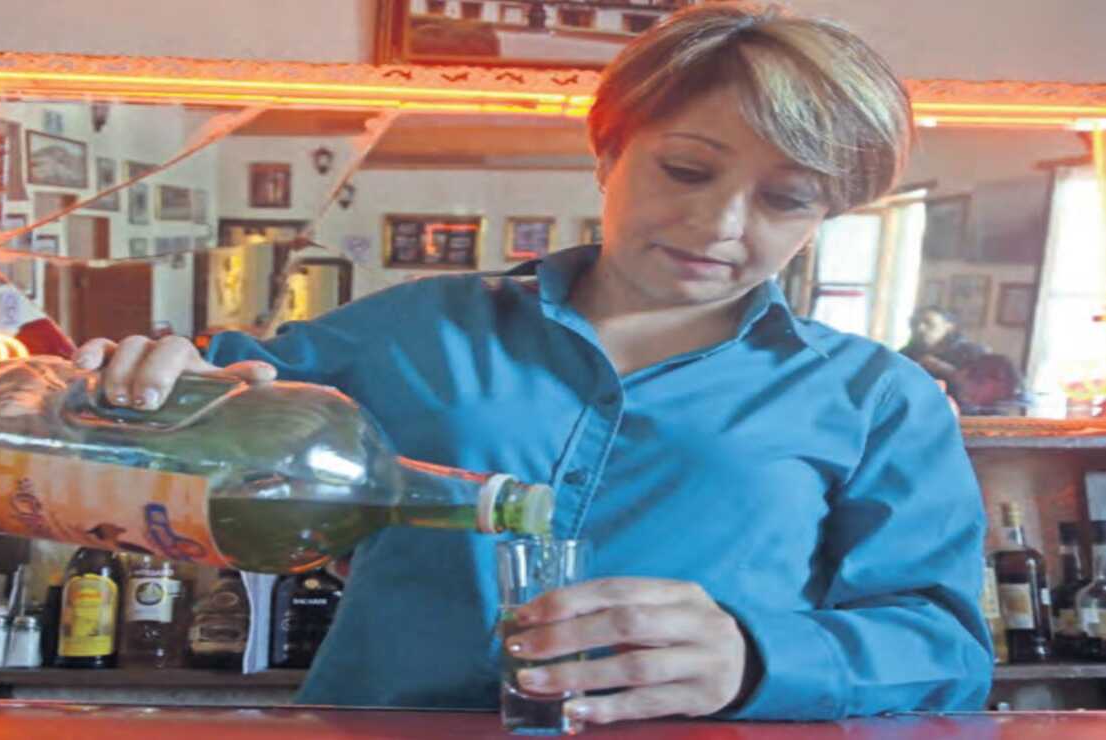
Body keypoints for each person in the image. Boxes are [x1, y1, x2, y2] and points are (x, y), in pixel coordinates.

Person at [72, 2, 991, 724]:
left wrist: (753, 659)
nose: (719, 226)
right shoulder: (416, 329)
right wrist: (150, 373)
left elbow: (944, 650)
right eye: (684, 170)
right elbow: (220, 396)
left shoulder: (879, 400)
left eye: (786, 200)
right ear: (609, 148)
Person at [900, 305, 988, 390]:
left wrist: (946, 370)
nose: (920, 328)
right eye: (915, 323)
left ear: (949, 327)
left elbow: (982, 390)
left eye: (928, 323)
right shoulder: (904, 354)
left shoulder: (972, 352)